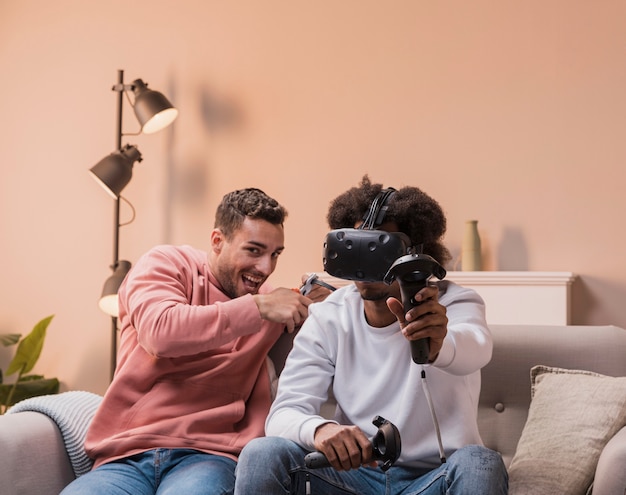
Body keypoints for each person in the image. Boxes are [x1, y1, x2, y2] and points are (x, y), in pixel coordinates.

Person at [234, 176, 508, 494]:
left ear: (415, 252)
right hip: (353, 478)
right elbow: (284, 414)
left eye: (381, 246)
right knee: (262, 453)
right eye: (358, 246)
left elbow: (476, 348)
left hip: (433, 480)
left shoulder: (455, 303)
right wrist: (319, 430)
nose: (367, 261)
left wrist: (438, 346)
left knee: (480, 461)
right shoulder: (329, 316)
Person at [61, 187, 326, 495]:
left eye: (275, 254)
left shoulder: (272, 306)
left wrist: (328, 300)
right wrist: (258, 308)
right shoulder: (166, 264)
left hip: (209, 458)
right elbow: (160, 333)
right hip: (127, 456)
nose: (265, 269)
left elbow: (337, 321)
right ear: (217, 241)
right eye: (253, 250)